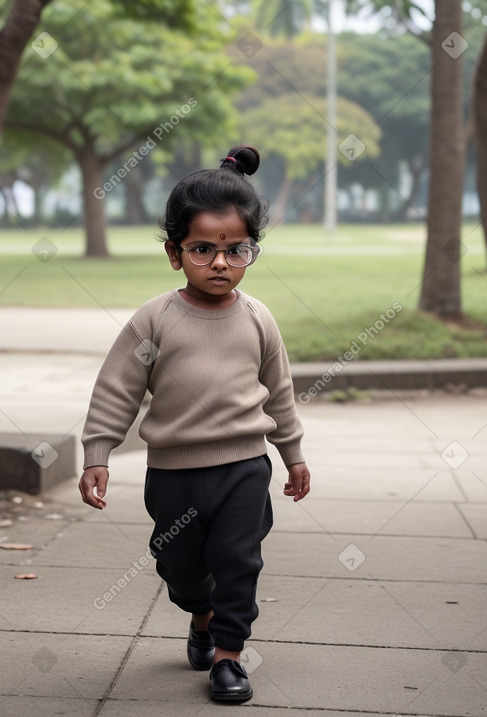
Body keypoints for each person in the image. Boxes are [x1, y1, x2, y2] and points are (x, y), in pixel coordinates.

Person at [78, 144, 311, 703]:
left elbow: (279, 392)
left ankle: (230, 655)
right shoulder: (154, 319)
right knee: (178, 565)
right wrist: (97, 454)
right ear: (174, 252)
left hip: (242, 470)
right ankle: (200, 616)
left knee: (238, 561)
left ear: (251, 250)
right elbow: (117, 391)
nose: (220, 263)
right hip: (174, 473)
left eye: (237, 250)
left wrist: (293, 454)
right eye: (202, 249)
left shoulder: (258, 319)